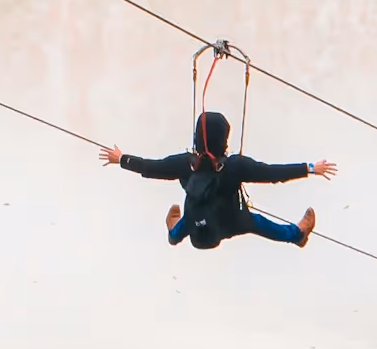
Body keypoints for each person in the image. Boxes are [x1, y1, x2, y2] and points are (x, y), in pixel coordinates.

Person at [99, 108, 336, 251]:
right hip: (229, 223)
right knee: (258, 223)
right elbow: (272, 173)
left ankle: (173, 234)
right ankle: (297, 235)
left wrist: (121, 159)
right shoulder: (234, 166)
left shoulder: (186, 163)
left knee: (190, 218)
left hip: (196, 228)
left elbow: (152, 167)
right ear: (224, 140)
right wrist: (310, 168)